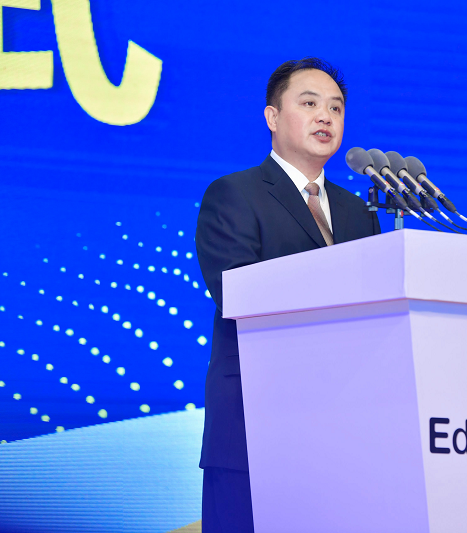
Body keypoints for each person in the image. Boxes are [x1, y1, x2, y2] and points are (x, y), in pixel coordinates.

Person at [195, 57, 381, 532]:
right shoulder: (234, 194)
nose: (325, 117)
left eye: (336, 108)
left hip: (346, 429)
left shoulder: (359, 212)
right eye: (310, 104)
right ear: (272, 117)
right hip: (256, 423)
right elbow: (238, 292)